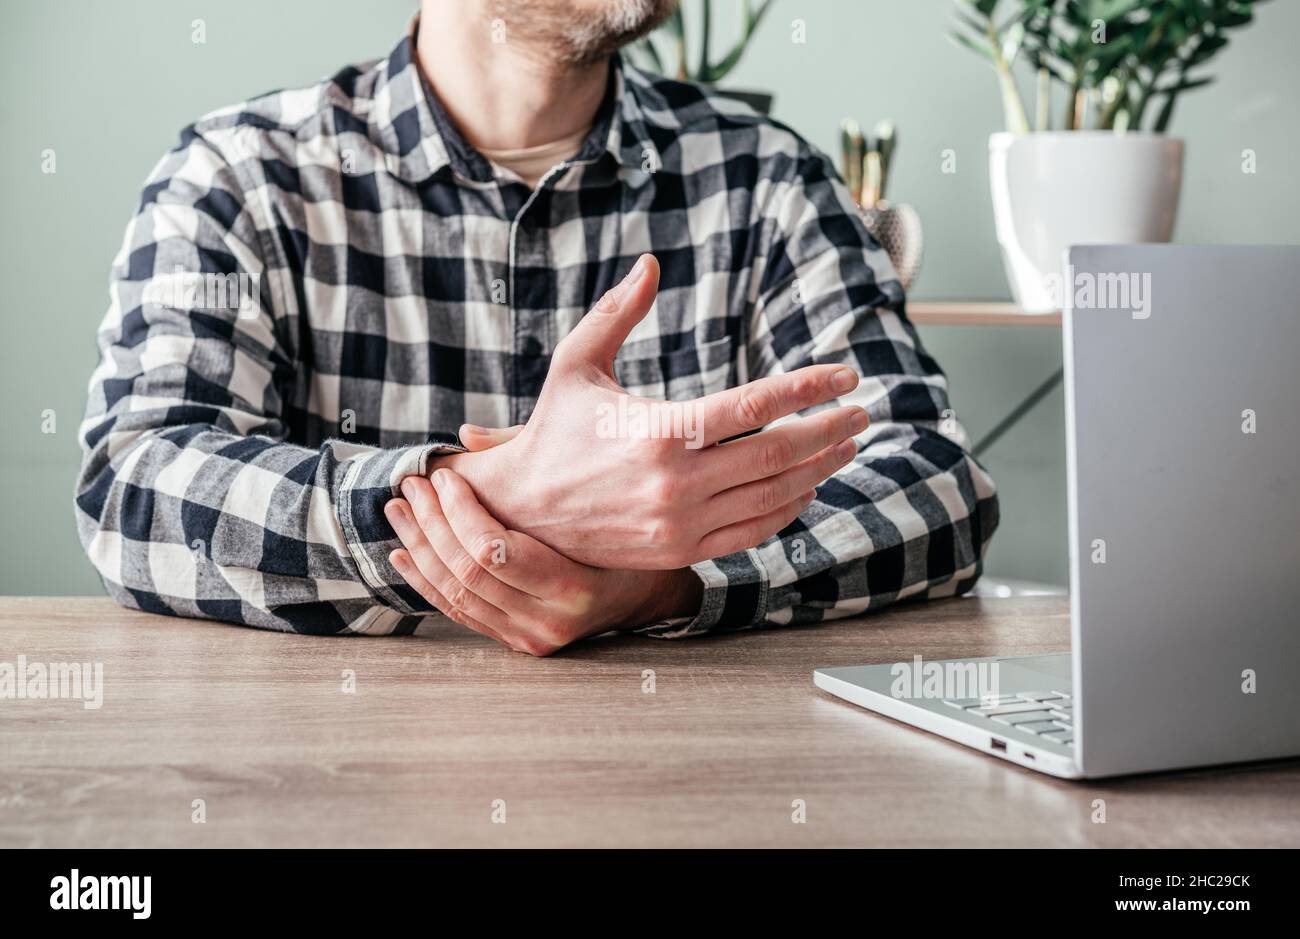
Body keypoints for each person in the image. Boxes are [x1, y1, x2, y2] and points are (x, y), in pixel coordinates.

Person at [76, 0, 999, 654]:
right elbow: (135, 484)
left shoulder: (766, 178)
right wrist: (491, 496)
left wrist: (663, 584)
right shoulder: (239, 176)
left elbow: (937, 478)